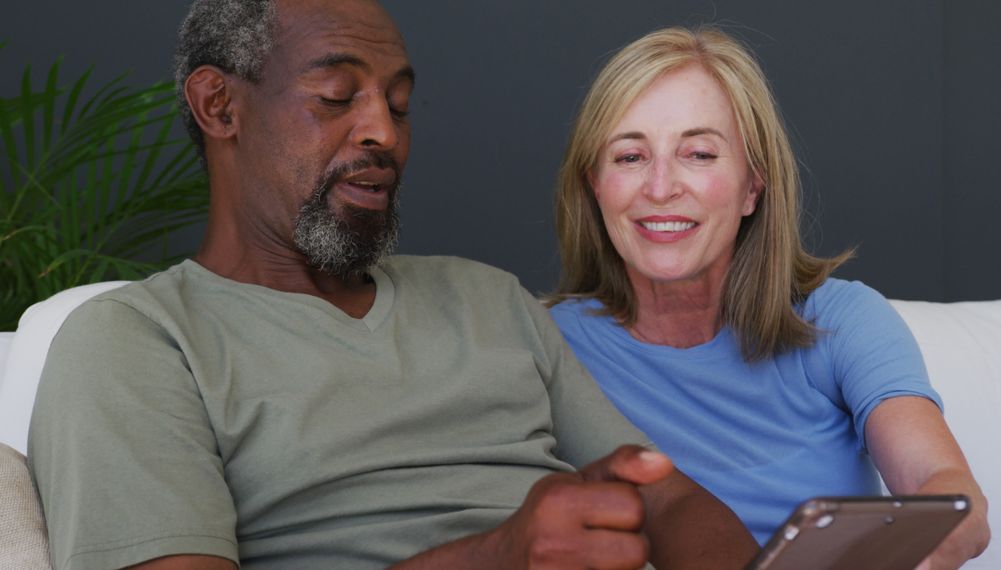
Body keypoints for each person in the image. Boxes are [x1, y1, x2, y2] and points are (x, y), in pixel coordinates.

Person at [27, 3, 759, 569]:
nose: (384, 130)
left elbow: (668, 496)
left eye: (399, 104)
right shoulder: (137, 342)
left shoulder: (489, 300)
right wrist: (495, 556)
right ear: (220, 106)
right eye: (338, 96)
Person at [547, 26, 991, 569]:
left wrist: (925, 547)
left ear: (753, 186)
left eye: (700, 153)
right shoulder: (547, 345)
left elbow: (945, 490)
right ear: (595, 185)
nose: (660, 187)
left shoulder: (841, 319)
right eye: (630, 157)